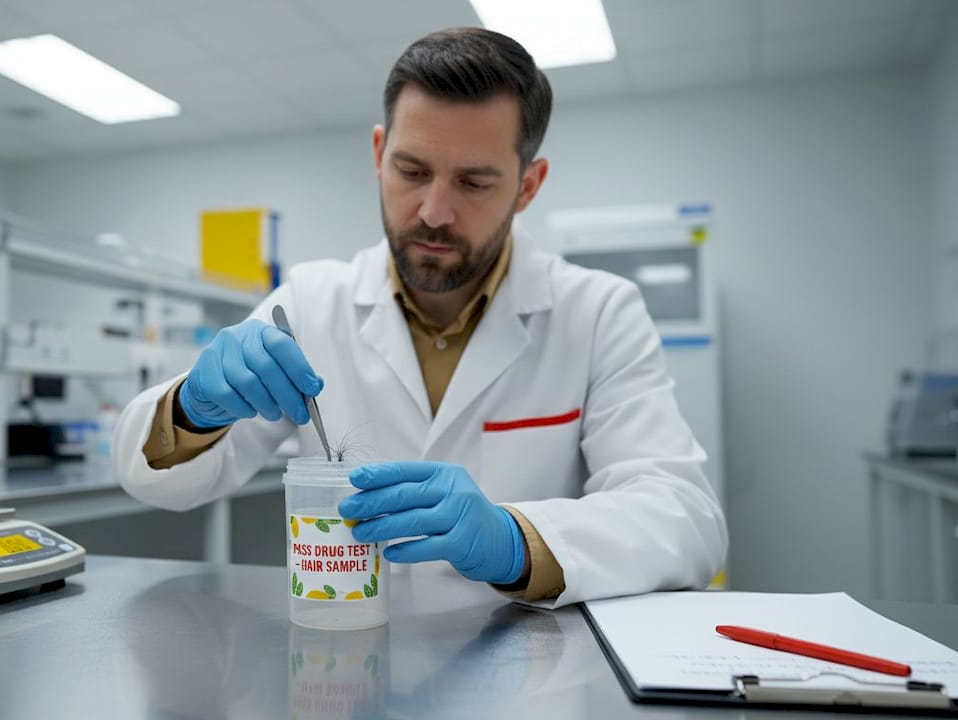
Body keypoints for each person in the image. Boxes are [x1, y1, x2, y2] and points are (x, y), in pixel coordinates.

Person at [113, 27, 727, 607]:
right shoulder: (309, 302)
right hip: (347, 659)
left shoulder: (597, 313)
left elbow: (686, 519)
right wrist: (192, 407)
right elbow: (158, 483)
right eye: (411, 172)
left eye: (474, 183)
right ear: (379, 154)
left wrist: (517, 540)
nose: (434, 211)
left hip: (529, 669)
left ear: (527, 186)